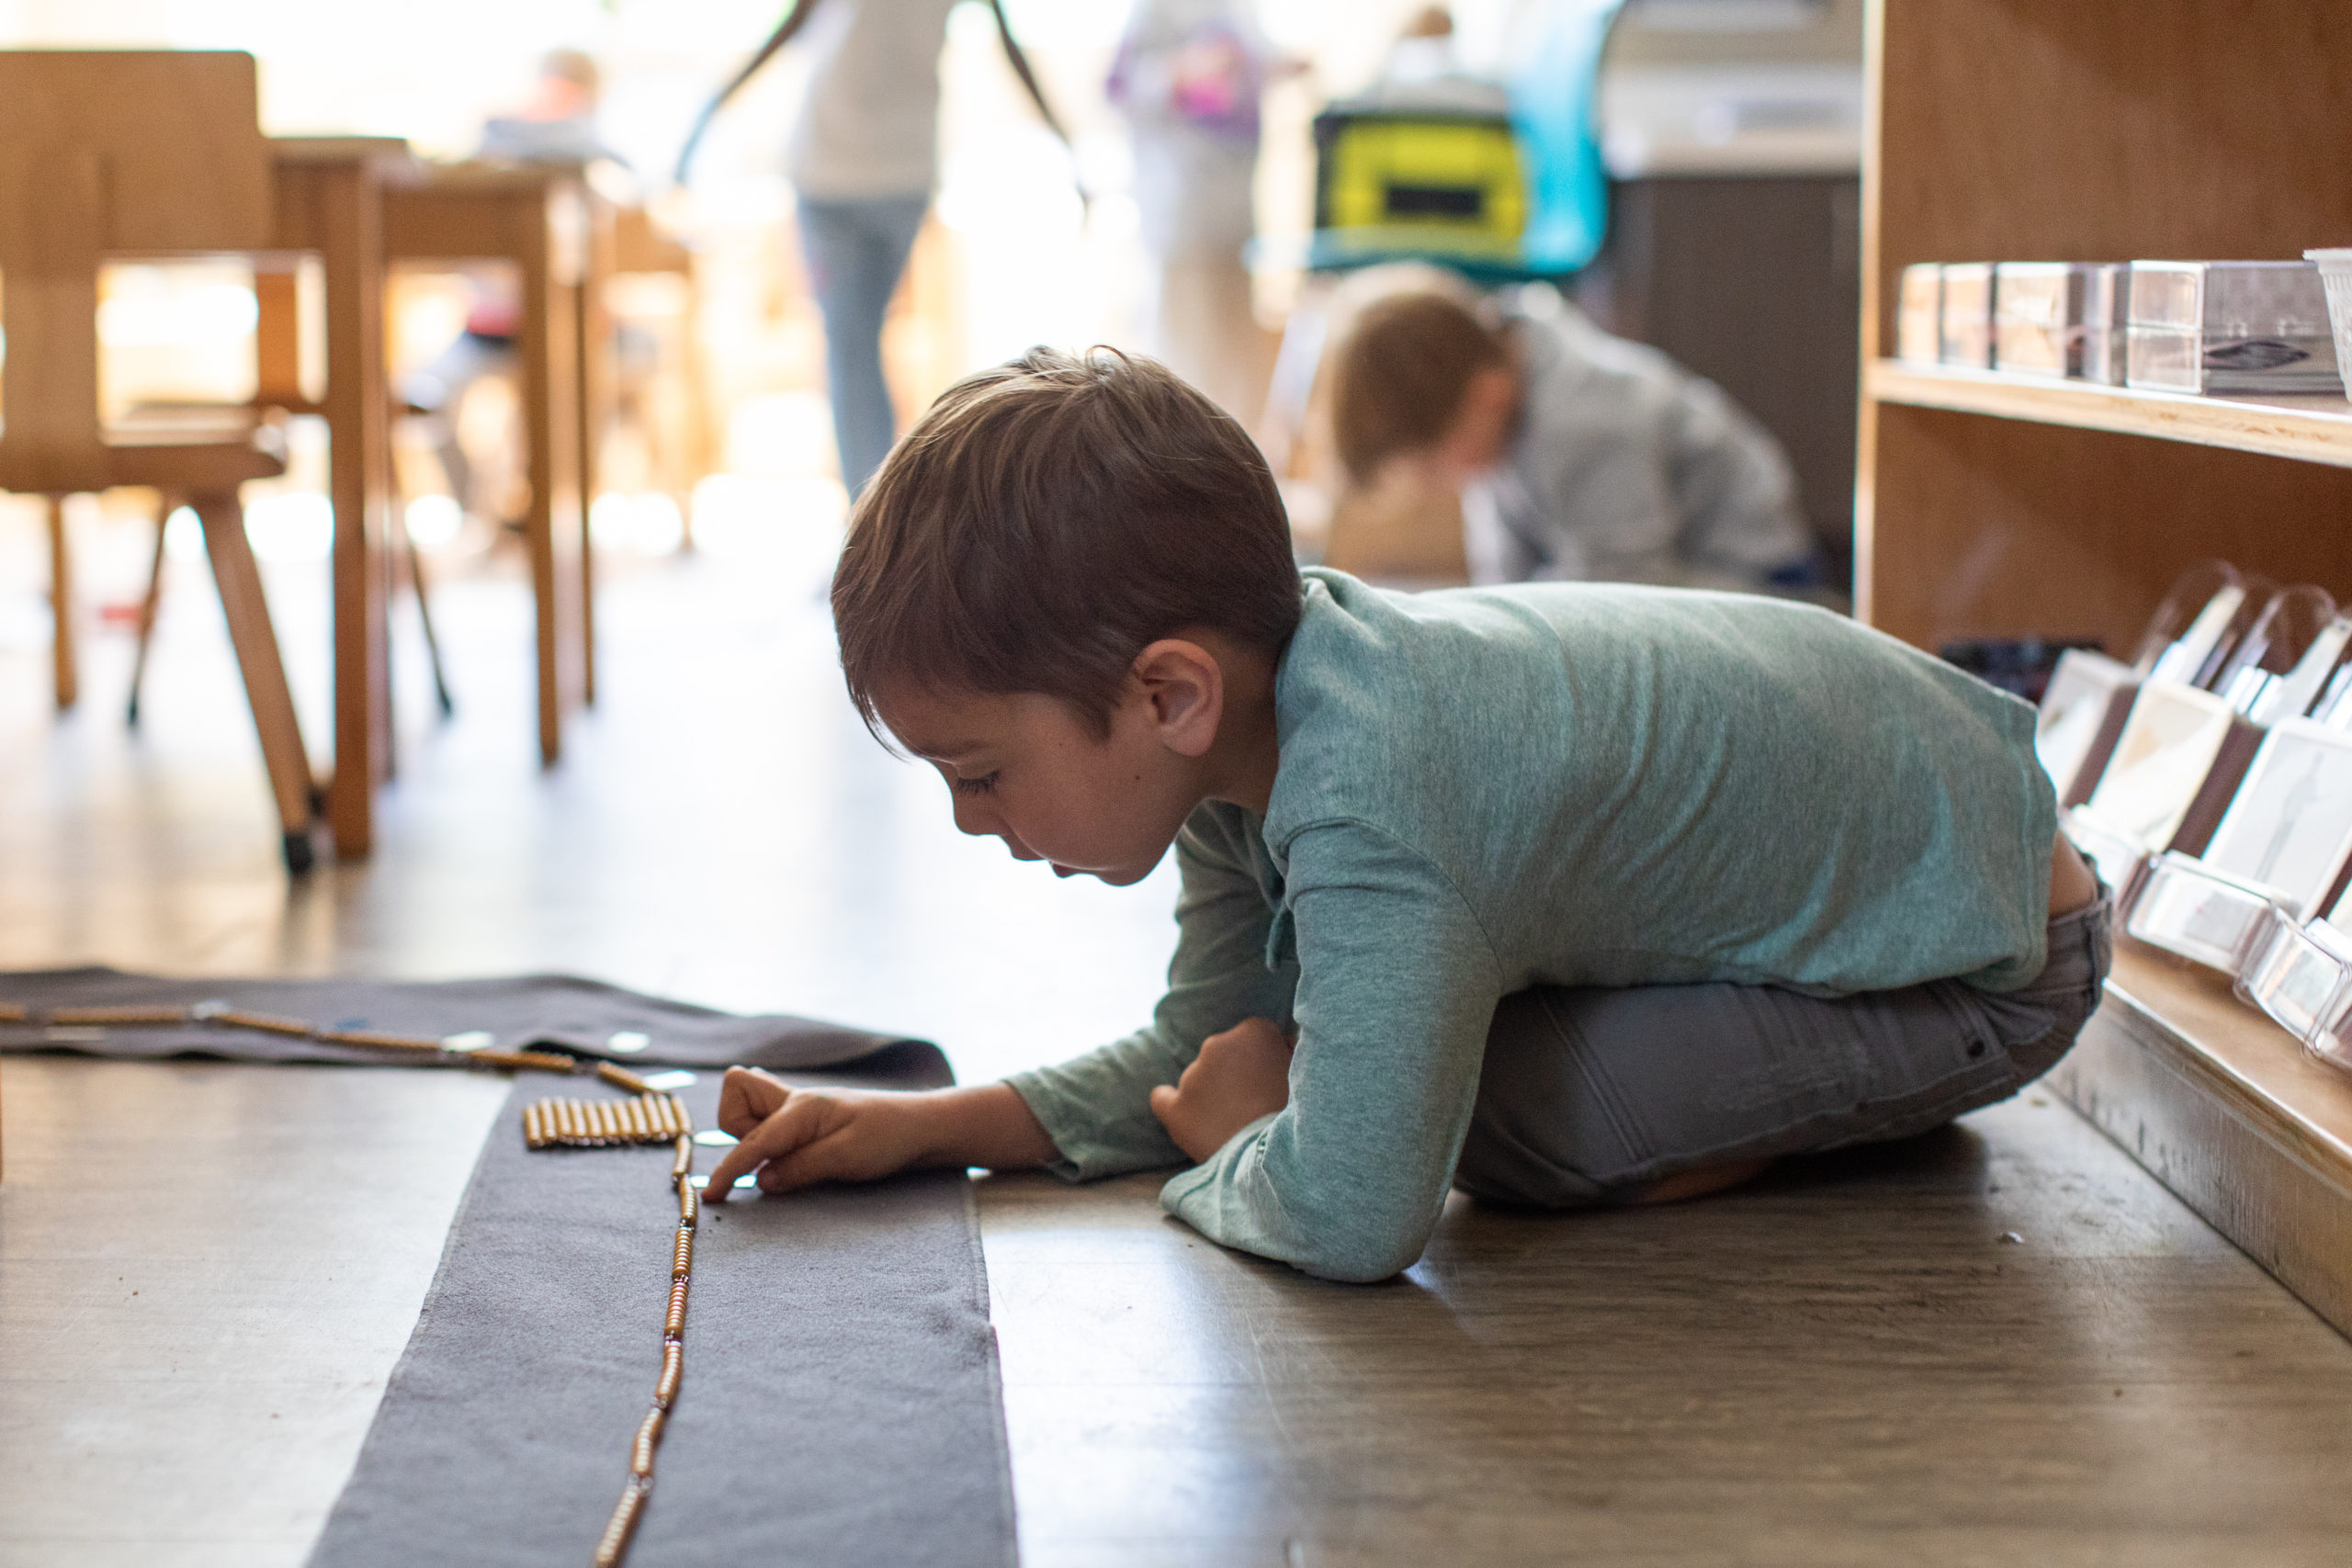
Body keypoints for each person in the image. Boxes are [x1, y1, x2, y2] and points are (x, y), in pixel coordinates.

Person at [699, 347, 2109, 1284]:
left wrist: (1245, 1142)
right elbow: (1209, 1046)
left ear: (1168, 692)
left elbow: (1360, 1213)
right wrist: (930, 1123)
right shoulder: (1251, 726)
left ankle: (1813, 1112)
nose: (964, 820)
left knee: (1487, 1124)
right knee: (1374, 1054)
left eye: (982, 770)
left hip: (1989, 961)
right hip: (1917, 875)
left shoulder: (1380, 797)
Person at [676, 0, 1073, 495]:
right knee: (859, 348)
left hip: (847, 172)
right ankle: (878, 516)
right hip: (873, 169)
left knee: (853, 351)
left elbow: (793, 25)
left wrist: (704, 121)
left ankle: (871, 520)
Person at [1329, 280, 1822, 592]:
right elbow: (1502, 577)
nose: (1442, 486)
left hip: (1755, 576)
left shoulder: (1586, 423)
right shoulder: (1495, 410)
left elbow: (1619, 588)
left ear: (1487, 394)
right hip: (1654, 570)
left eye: (1436, 468)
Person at [1107, 0, 1275, 422]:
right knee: (1183, 353)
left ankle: (1240, 454)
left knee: (1237, 350)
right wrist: (1181, 71)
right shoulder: (1153, 12)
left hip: (1236, 216)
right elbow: (1120, 88)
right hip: (1181, 210)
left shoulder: (1241, 10)